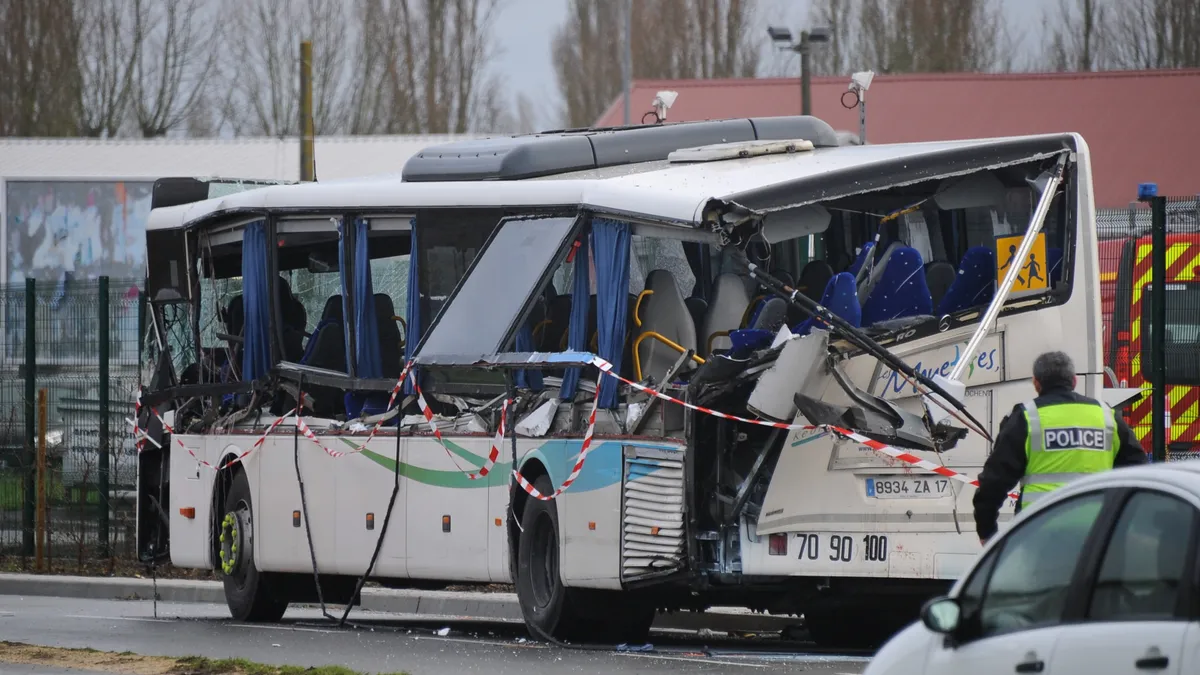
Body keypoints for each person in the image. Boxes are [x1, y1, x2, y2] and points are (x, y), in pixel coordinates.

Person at [973, 350, 1146, 545]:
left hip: (1038, 530)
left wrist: (987, 531)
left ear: (1036, 383)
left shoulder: (1027, 418)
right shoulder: (1106, 416)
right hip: (1097, 529)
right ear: (1074, 381)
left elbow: (994, 482)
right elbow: (1137, 467)